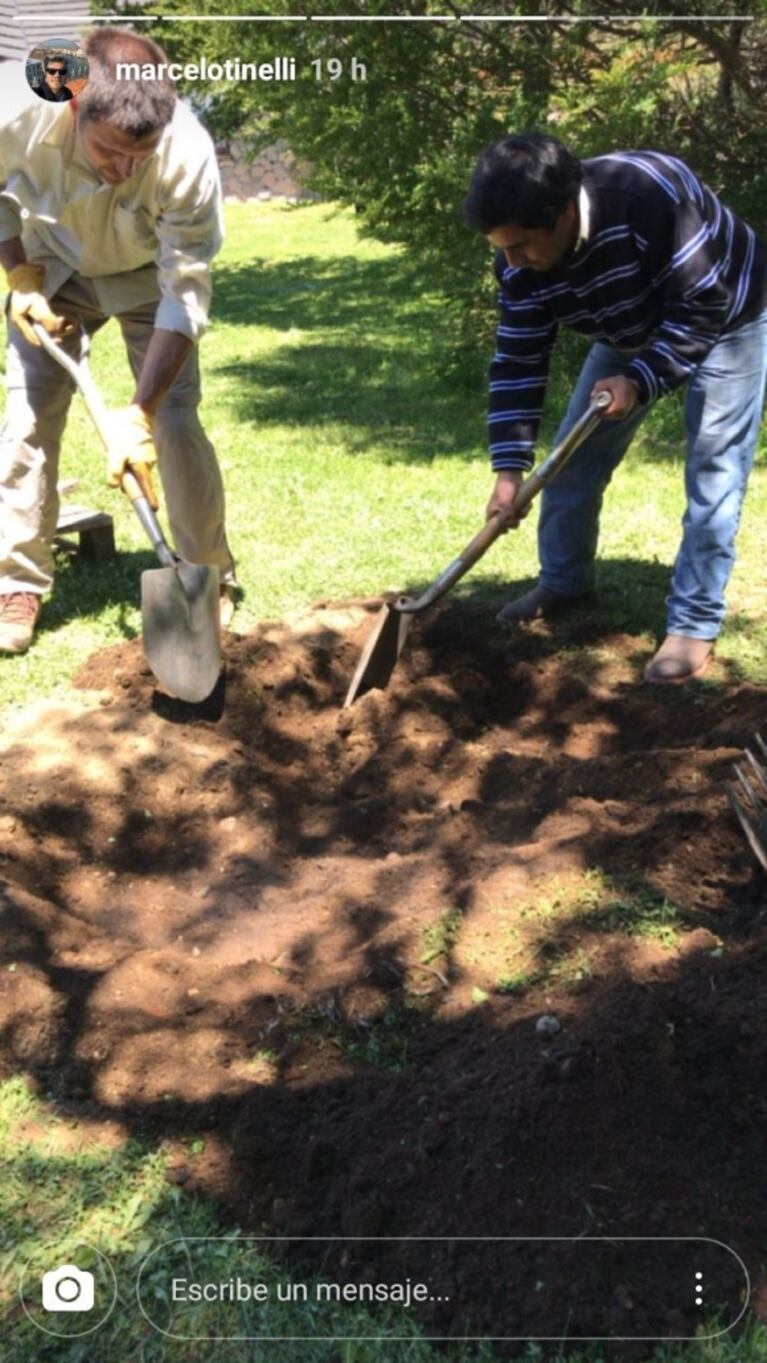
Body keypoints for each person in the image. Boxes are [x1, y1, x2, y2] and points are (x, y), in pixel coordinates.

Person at [463, 134, 767, 683]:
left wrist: (640, 378)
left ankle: (693, 624)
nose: (512, 262)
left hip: (727, 313)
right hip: (626, 321)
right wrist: (508, 472)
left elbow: (703, 306)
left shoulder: (649, 197)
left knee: (713, 472)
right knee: (572, 459)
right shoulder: (518, 265)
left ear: (560, 214)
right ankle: (565, 580)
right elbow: (518, 360)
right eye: (500, 248)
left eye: (522, 245)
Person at [0, 26, 237, 654]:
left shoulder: (186, 154)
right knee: (28, 419)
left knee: (176, 424)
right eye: (111, 152)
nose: (125, 170)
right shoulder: (18, 104)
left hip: (145, 277)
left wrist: (141, 411)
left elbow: (185, 293)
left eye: (141, 155)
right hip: (52, 264)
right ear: (76, 104)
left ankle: (208, 575)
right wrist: (18, 274)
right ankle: (16, 584)